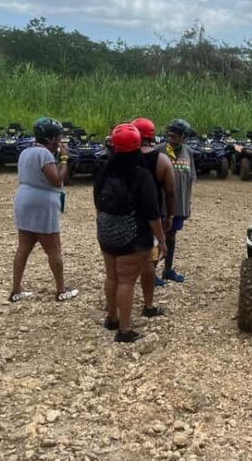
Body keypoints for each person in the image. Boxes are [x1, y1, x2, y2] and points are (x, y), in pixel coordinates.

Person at [95, 123, 167, 343]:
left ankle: (112, 318)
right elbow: (152, 213)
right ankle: (125, 330)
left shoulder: (104, 172)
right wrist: (161, 240)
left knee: (112, 277)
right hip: (133, 236)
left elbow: (97, 203)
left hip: (106, 232)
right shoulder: (141, 175)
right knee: (126, 281)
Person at [10, 117, 79, 302]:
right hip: (42, 203)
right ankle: (61, 290)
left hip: (24, 199)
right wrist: (64, 159)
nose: (60, 140)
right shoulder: (45, 154)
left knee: (23, 248)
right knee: (53, 249)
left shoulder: (25, 152)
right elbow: (57, 180)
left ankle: (16, 290)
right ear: (50, 138)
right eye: (58, 137)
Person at [132, 117, 177, 292]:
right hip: (153, 212)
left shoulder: (124, 157)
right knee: (150, 255)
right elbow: (170, 192)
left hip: (127, 212)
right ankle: (148, 301)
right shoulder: (162, 160)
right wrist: (170, 215)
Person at [158, 118, 196, 284]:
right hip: (161, 205)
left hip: (179, 204)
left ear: (184, 137)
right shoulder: (159, 151)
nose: (171, 138)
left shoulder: (188, 152)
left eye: (175, 135)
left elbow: (189, 180)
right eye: (170, 134)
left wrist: (188, 204)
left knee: (171, 236)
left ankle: (167, 270)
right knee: (157, 237)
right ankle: (151, 273)